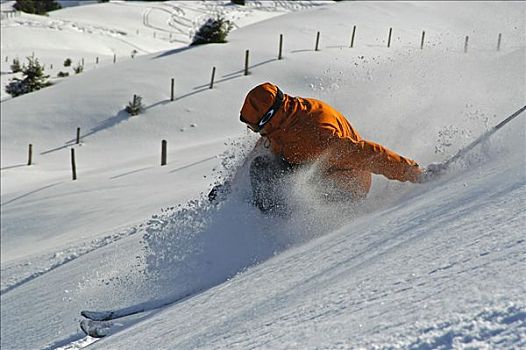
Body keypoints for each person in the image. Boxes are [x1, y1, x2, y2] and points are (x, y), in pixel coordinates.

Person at [213, 82, 426, 214]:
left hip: (347, 186)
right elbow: (262, 149)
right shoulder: (282, 120)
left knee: (279, 183)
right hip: (309, 166)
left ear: (268, 119)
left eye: (253, 127)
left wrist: (412, 172)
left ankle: (273, 227)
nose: (253, 132)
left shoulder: (316, 134)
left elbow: (366, 154)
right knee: (262, 168)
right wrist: (231, 189)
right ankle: (266, 213)